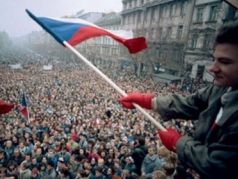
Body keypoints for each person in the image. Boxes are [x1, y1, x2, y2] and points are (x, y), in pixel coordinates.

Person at [119, 22, 238, 179]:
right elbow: (191, 103)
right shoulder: (222, 87)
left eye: (225, 62)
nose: (212, 68)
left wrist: (179, 143)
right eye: (214, 59)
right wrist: (150, 101)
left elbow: (217, 165)